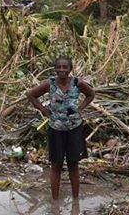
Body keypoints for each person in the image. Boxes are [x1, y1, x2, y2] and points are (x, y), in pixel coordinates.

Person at [26, 55, 95, 201]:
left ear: (70, 69)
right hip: (55, 129)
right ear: (55, 69)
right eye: (59, 67)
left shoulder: (77, 83)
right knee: (56, 165)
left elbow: (91, 94)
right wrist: (43, 110)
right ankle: (55, 201)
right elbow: (31, 95)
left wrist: (80, 109)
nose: (62, 70)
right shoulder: (49, 84)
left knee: (73, 165)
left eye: (65, 67)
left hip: (74, 129)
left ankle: (76, 201)